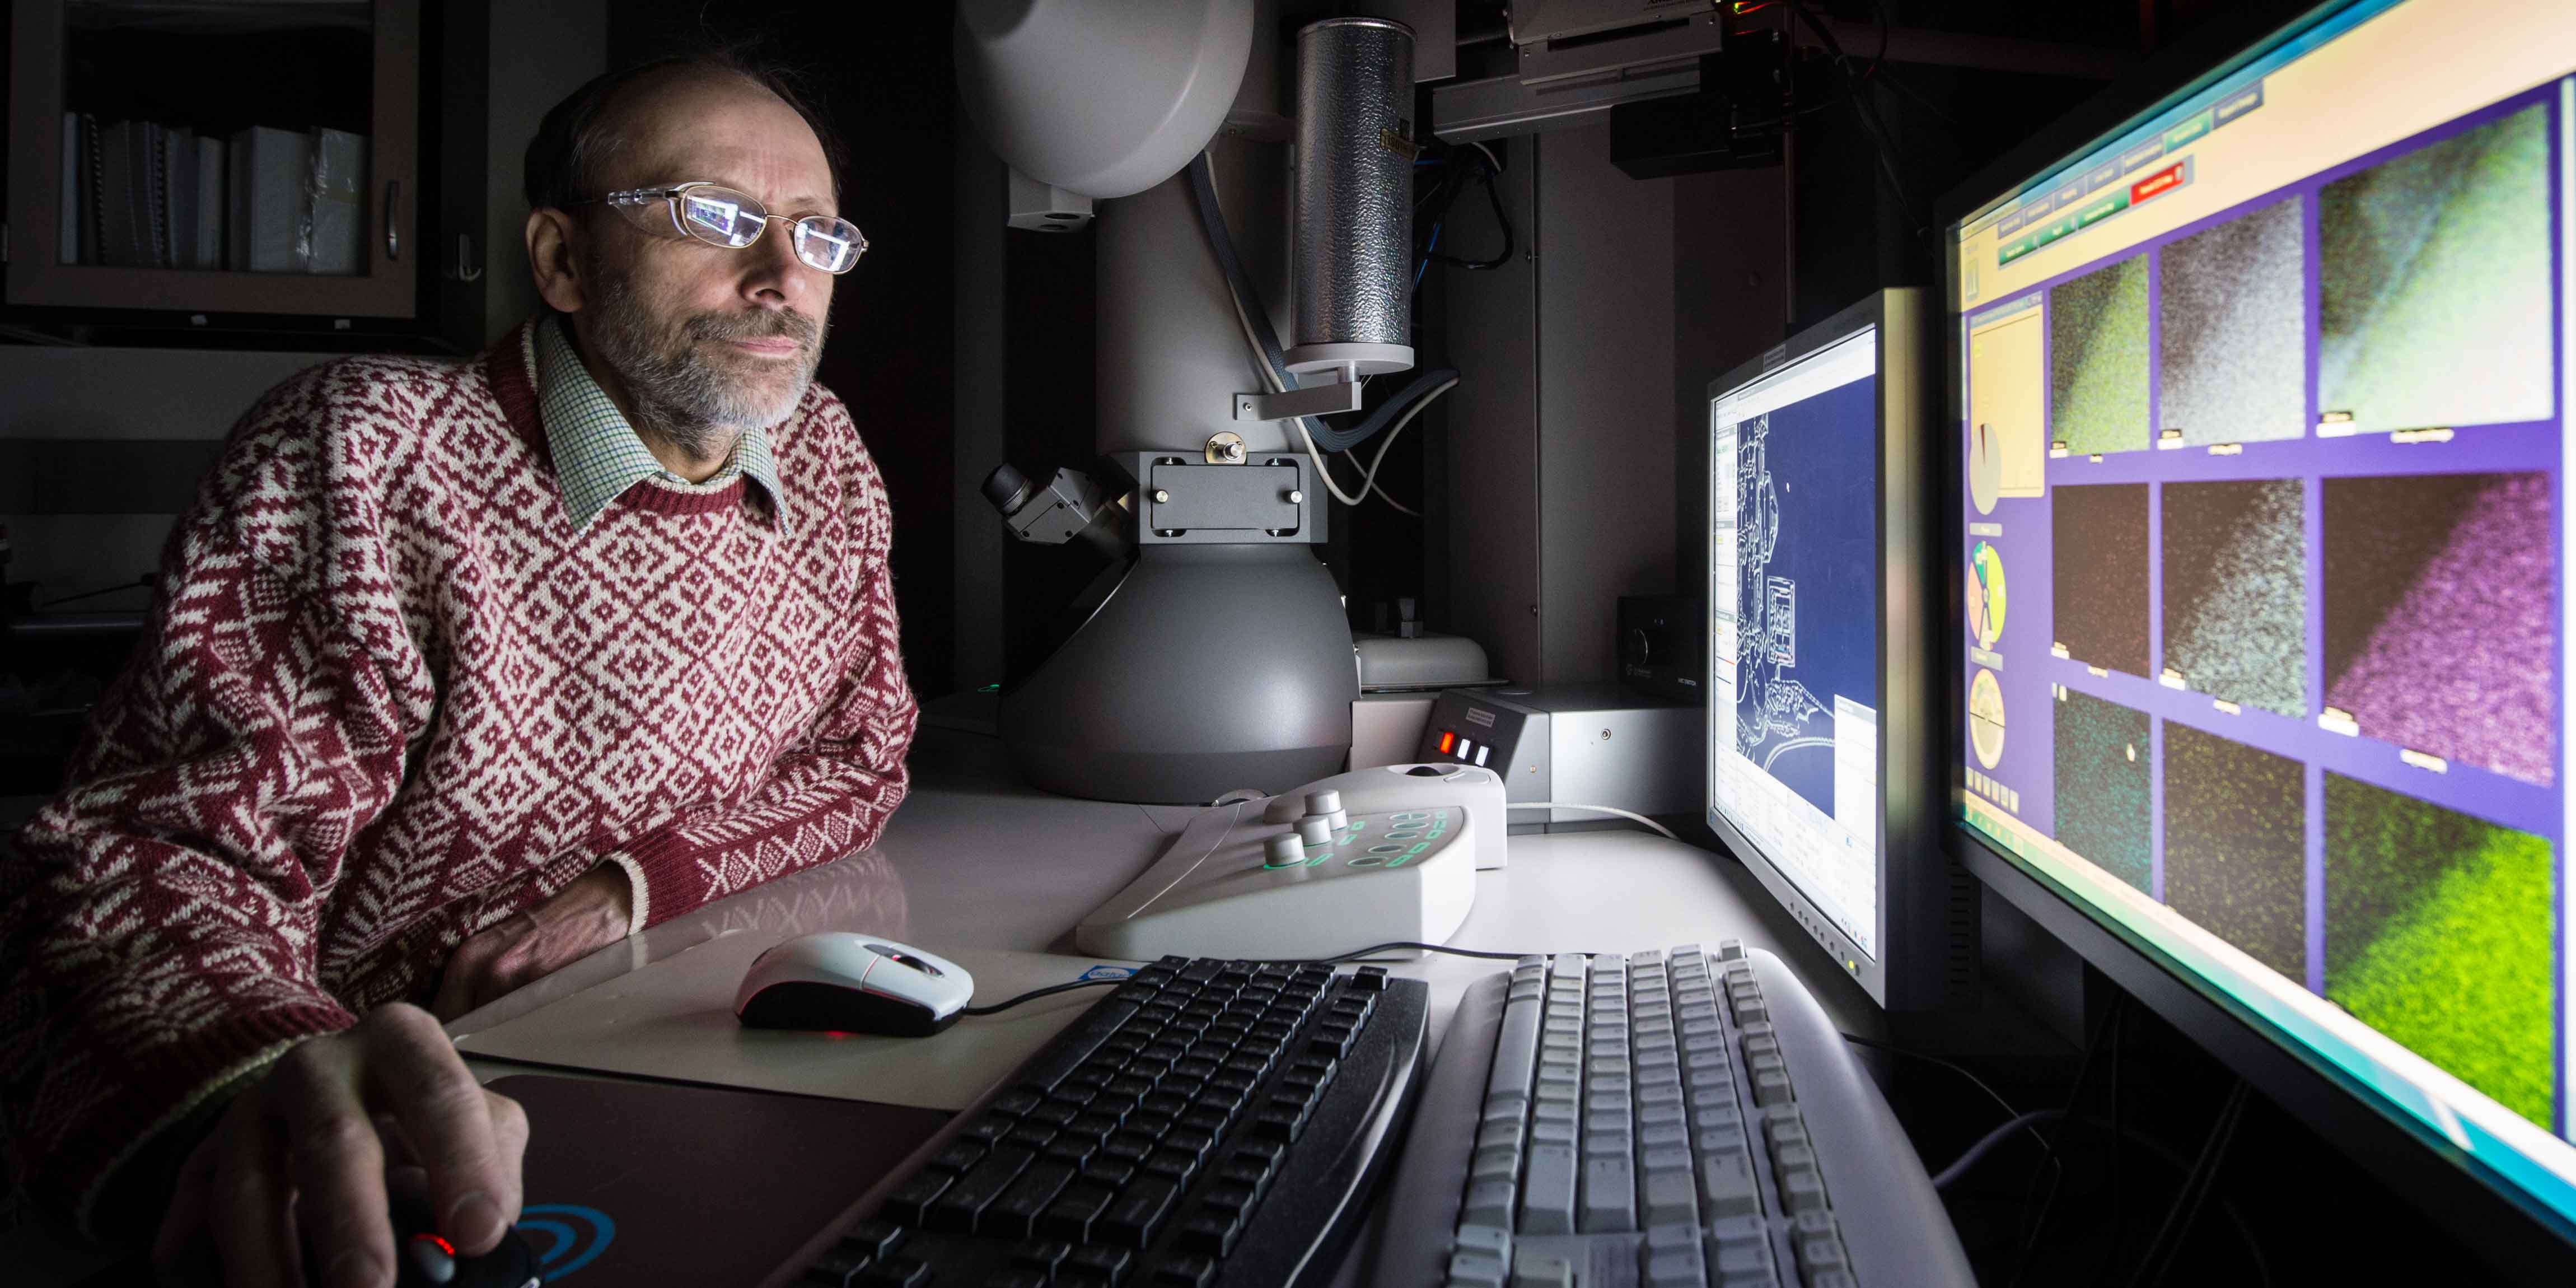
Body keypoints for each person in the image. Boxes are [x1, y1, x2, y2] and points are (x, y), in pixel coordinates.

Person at [0, 52, 918, 1286]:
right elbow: (156, 862)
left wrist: (623, 888)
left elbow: (864, 758)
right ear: (561, 261)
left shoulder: (828, 458)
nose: (781, 280)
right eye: (714, 217)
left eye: (817, 235)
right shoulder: (363, 454)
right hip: (395, 1113)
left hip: (671, 1034)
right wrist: (267, 1070)